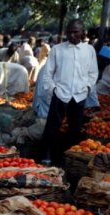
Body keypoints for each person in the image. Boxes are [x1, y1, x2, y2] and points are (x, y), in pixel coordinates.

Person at [41, 19, 98, 163]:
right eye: (69, 32)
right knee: (52, 125)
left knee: (75, 127)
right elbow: (48, 74)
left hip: (80, 95)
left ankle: (70, 158)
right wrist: (53, 90)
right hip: (60, 93)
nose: (72, 35)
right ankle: (46, 156)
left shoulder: (89, 50)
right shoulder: (57, 49)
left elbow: (93, 73)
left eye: (75, 32)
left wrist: (88, 88)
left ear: (82, 33)